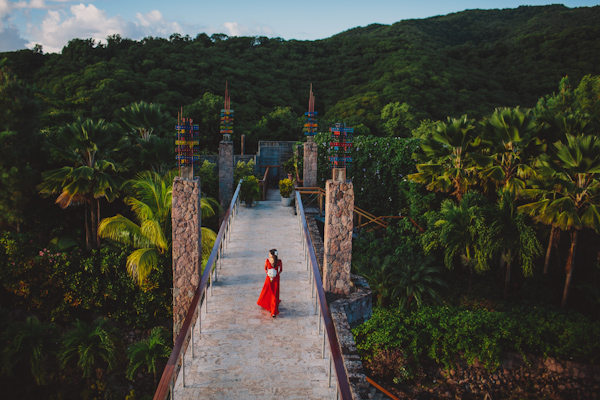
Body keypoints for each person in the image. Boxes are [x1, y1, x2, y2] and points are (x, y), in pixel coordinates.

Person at [257, 249, 282, 317]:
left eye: (270, 253)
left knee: (274, 293)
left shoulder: (278, 261)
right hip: (270, 278)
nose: (269, 255)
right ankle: (270, 305)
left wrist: (274, 274)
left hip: (275, 278)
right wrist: (269, 273)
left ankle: (273, 310)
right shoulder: (268, 261)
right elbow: (266, 269)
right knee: (268, 291)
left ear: (272, 255)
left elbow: (280, 270)